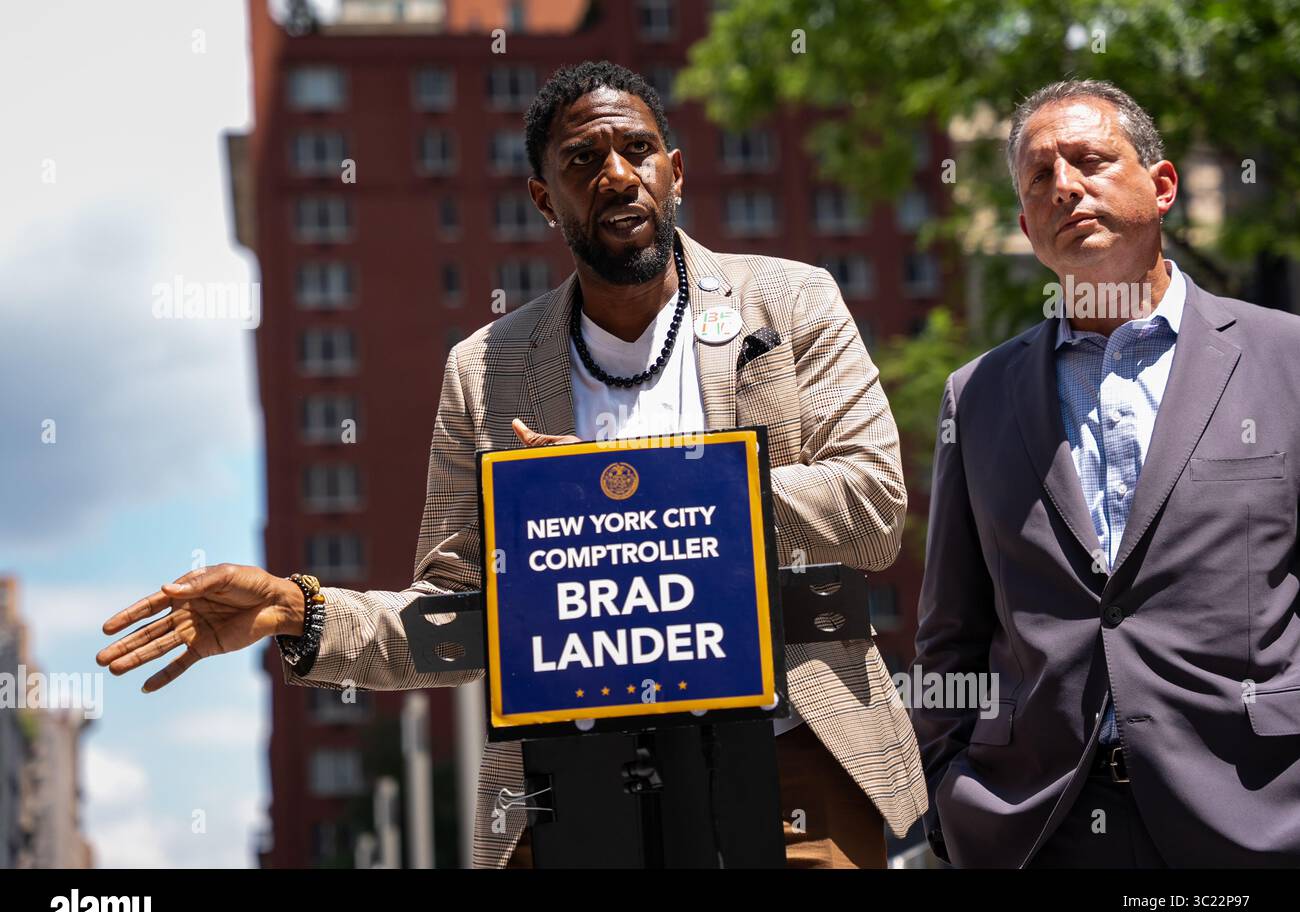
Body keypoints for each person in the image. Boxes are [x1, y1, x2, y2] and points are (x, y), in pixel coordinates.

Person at [99, 61, 926, 869]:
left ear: (675, 172)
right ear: (544, 199)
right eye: (582, 159)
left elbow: (876, 504)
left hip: (787, 759)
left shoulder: (790, 301)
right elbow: (459, 620)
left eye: (637, 150)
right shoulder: (485, 368)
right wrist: (302, 612)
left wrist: (636, 488)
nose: (616, 175)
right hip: (574, 788)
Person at [911, 78, 1300, 868]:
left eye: (1090, 160)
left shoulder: (1285, 359)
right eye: (1039, 177)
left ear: (1162, 187)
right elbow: (951, 633)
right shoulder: (977, 396)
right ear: (1027, 226)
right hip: (1038, 827)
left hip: (1255, 817)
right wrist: (948, 794)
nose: (1064, 186)